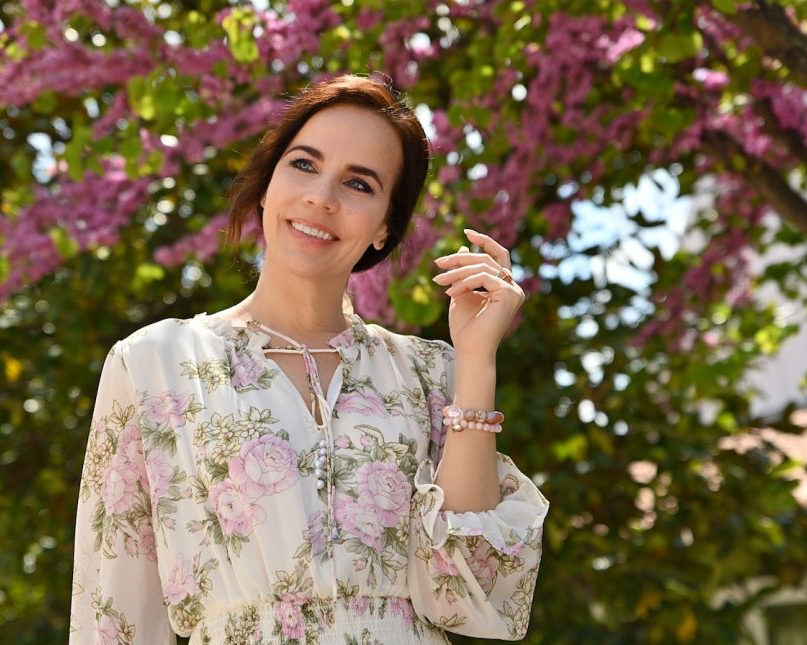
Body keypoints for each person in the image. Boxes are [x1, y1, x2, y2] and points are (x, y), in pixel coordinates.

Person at [69, 74, 549, 644]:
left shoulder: (428, 373)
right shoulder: (153, 363)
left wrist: (476, 358)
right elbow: (113, 613)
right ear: (267, 185)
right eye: (303, 165)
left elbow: (467, 592)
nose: (322, 197)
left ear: (385, 227)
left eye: (359, 183)